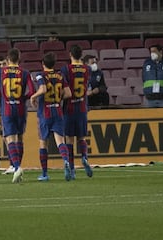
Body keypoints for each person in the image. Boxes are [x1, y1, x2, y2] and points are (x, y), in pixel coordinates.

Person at [0, 48, 36, 183]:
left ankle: (16, 167)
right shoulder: (25, 73)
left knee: (10, 138)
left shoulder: (0, 72)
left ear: (8, 60)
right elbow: (32, 91)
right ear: (19, 59)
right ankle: (17, 166)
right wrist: (23, 97)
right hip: (21, 109)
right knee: (20, 138)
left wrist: (1, 97)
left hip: (7, 109)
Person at [30, 52, 72, 181]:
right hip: (58, 111)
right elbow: (68, 94)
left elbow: (42, 89)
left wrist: (33, 96)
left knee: (43, 143)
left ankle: (44, 174)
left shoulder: (40, 75)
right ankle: (66, 161)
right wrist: (58, 98)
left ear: (43, 64)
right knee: (60, 141)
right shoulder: (60, 75)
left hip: (45, 112)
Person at [60, 45, 93, 179]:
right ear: (81, 55)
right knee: (81, 137)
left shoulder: (66, 69)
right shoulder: (87, 69)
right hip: (82, 107)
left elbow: (65, 89)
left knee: (69, 139)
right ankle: (84, 158)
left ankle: (72, 169)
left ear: (70, 55)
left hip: (69, 108)